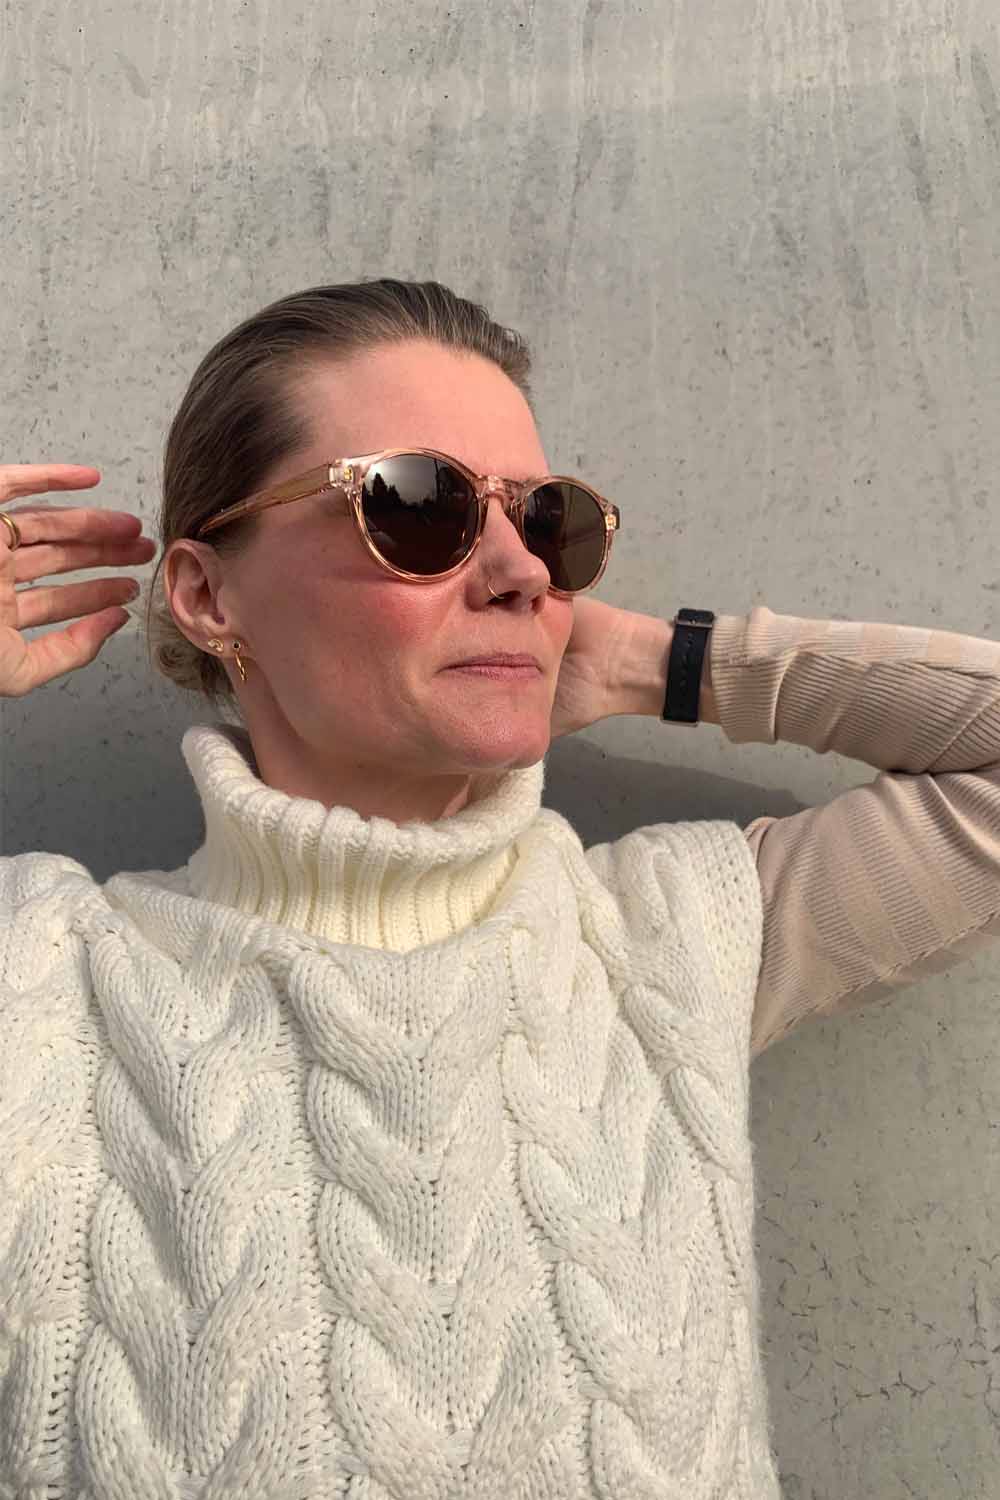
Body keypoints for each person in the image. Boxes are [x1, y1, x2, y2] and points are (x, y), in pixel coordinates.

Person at [1, 278, 998, 1498]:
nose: (523, 569)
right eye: (417, 506)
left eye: (547, 520)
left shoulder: (673, 938)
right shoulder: (40, 977)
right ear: (210, 595)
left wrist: (652, 662)